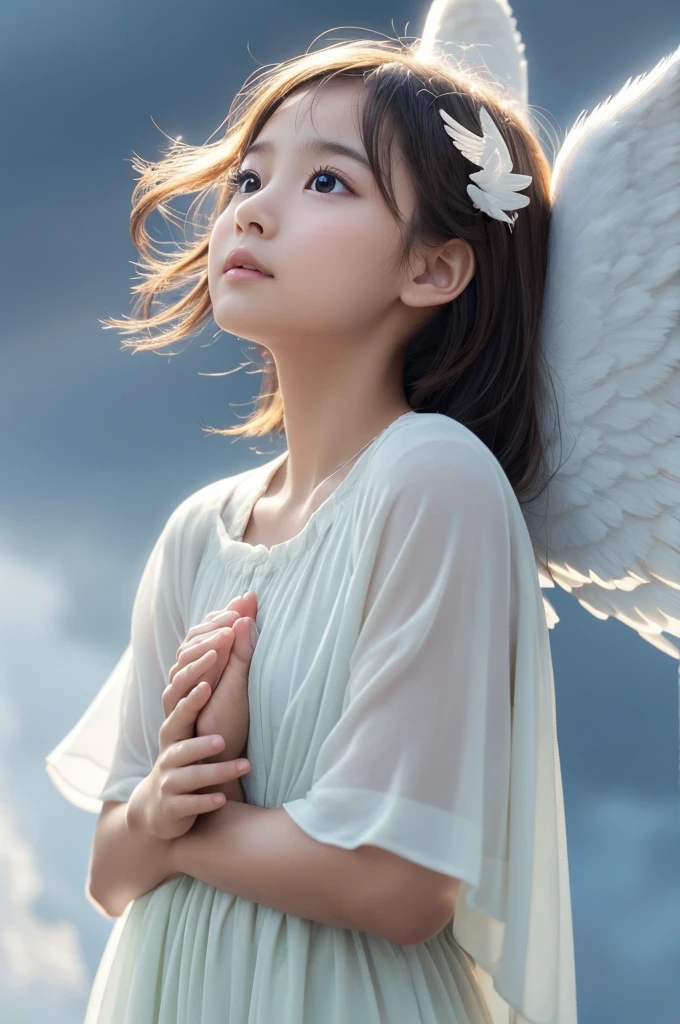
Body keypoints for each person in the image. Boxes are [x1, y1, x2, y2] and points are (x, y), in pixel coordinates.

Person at [45, 37, 576, 1024]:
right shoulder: (198, 531)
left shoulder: (433, 479)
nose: (249, 207)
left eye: (326, 180)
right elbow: (110, 873)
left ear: (433, 267)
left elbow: (398, 882)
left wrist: (181, 822)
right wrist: (159, 812)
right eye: (250, 175)